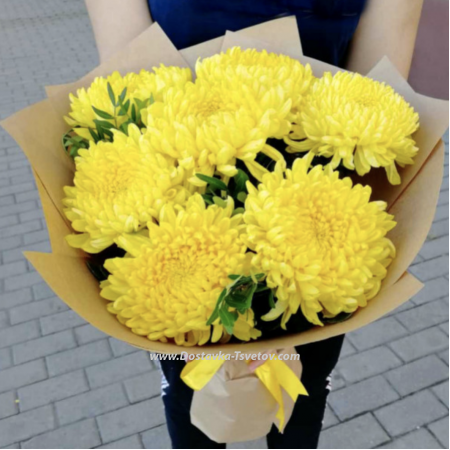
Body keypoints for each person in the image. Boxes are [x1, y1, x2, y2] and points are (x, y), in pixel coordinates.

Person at [85, 1, 423, 448]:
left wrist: (337, 222)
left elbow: (377, 91)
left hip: (322, 189)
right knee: (191, 388)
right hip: (170, 193)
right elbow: (130, 71)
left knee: (305, 383)